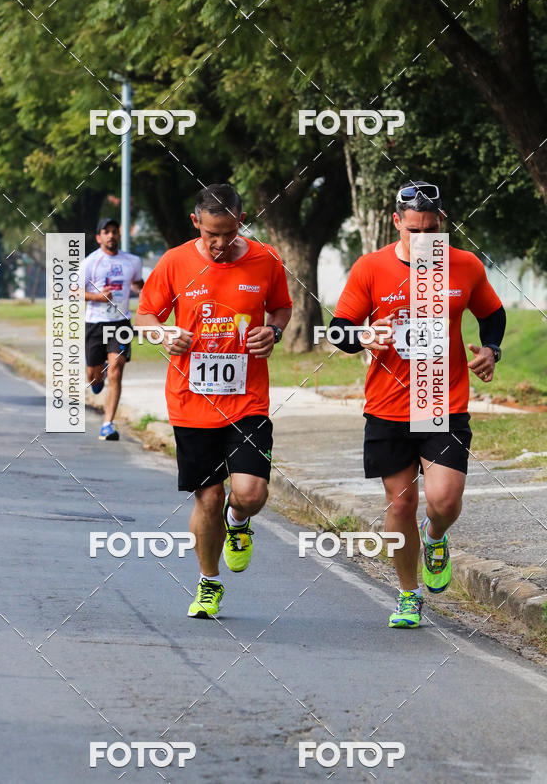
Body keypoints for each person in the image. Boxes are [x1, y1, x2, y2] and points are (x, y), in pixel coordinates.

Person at [330, 182, 505, 628]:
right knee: (400, 505)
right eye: (414, 230)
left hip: (442, 402)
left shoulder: (463, 266)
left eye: (431, 230)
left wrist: (491, 349)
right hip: (387, 407)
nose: (423, 238)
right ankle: (409, 594)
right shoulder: (370, 268)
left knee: (444, 500)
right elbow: (339, 330)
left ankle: (437, 536)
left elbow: (492, 313)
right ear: (396, 223)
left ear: (441, 223)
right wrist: (364, 336)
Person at [135, 183, 292, 619]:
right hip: (191, 402)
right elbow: (145, 315)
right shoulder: (175, 262)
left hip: (248, 400)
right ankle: (209, 582)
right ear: (195, 223)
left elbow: (281, 308)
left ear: (241, 220)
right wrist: (164, 333)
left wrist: (273, 332)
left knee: (251, 492)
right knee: (207, 499)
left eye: (228, 232)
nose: (220, 243)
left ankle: (239, 521)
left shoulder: (266, 259)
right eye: (210, 235)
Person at [84, 218, 143, 441]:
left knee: (116, 370)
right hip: (95, 323)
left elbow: (138, 283)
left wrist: (143, 292)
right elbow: (73, 291)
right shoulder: (90, 263)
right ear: (99, 237)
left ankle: (107, 424)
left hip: (120, 322)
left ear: (119, 235)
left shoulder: (132, 261)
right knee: (93, 376)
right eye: (105, 232)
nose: (110, 235)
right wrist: (97, 297)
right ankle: (97, 379)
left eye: (114, 231)